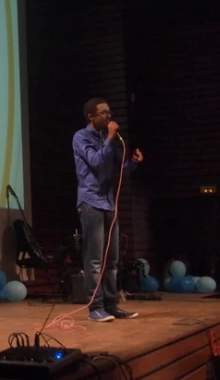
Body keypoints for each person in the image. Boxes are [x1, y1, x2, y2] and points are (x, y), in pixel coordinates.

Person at [73, 97, 144, 322]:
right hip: (91, 203)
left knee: (112, 260)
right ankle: (96, 308)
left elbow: (116, 170)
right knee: (94, 260)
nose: (109, 116)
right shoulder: (81, 137)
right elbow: (95, 160)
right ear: (91, 117)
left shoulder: (107, 139)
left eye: (109, 112)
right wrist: (111, 138)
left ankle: (112, 305)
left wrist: (132, 163)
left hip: (109, 204)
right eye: (104, 113)